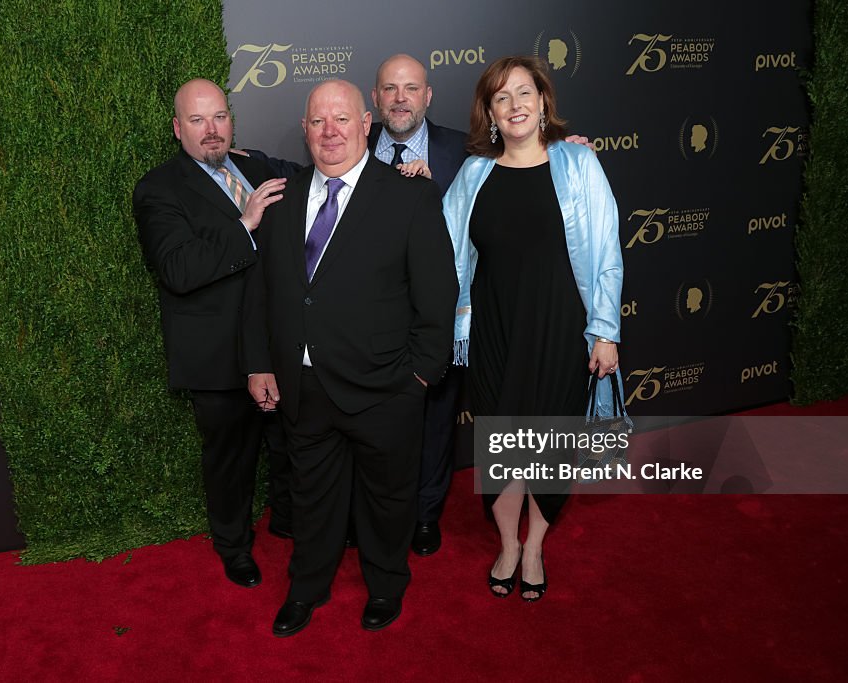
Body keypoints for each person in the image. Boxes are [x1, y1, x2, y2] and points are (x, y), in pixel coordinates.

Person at [243, 79, 457, 636]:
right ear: (305, 130)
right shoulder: (285, 199)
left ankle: (386, 586)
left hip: (386, 386)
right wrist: (262, 362)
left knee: (387, 501)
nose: (329, 131)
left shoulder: (410, 196)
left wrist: (418, 375)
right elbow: (263, 293)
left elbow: (438, 295)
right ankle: (306, 589)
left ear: (367, 124)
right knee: (311, 498)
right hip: (305, 386)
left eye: (342, 119)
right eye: (317, 122)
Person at [443, 56, 623, 602]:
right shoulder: (473, 174)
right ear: (490, 113)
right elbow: (445, 252)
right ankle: (507, 543)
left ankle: (536, 545)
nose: (516, 104)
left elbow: (607, 254)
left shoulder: (579, 164)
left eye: (525, 92)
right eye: (502, 97)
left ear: (543, 102)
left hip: (559, 329)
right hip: (493, 330)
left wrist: (605, 330)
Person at [132, 78, 291, 590]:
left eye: (219, 117)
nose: (210, 130)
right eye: (197, 121)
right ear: (178, 128)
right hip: (217, 353)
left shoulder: (259, 166)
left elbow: (325, 178)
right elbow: (177, 268)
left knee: (294, 442)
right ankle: (233, 546)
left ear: (231, 120)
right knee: (230, 459)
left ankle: (290, 522)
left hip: (281, 341)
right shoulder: (158, 188)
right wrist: (243, 223)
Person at [368, 54, 468, 556]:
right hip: (373, 321)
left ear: (428, 96)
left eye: (411, 88)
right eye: (390, 88)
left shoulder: (464, 151)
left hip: (441, 316)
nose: (400, 98)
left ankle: (426, 514)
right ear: (375, 99)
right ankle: (378, 515)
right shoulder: (350, 147)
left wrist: (566, 151)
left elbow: (526, 165)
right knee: (375, 425)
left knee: (435, 420)